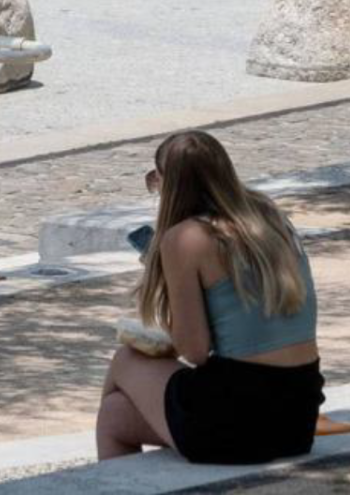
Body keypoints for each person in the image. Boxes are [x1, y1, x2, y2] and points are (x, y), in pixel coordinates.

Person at [97, 130, 325, 464]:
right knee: (115, 415)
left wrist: (169, 286)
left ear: (169, 183)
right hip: (297, 418)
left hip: (234, 414)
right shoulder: (269, 214)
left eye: (156, 179)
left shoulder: (186, 238)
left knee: (125, 360)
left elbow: (194, 351)